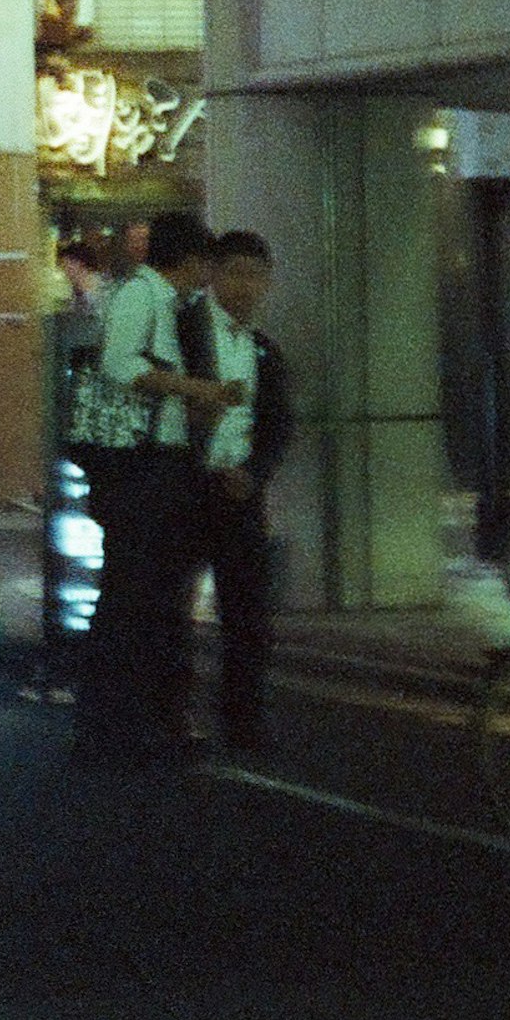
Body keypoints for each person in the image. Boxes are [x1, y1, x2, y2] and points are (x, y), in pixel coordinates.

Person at [77, 210, 240, 767]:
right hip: (139, 468)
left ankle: (134, 725)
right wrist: (197, 388)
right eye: (207, 265)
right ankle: (112, 728)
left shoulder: (164, 303)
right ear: (191, 260)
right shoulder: (140, 297)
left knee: (149, 598)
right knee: (134, 598)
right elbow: (120, 365)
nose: (207, 277)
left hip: (155, 465)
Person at [191, 230, 292, 754]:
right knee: (169, 610)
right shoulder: (187, 336)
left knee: (248, 614)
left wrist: (253, 472)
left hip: (240, 497)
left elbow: (278, 426)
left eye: (256, 275)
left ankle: (244, 720)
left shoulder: (264, 351)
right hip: (187, 493)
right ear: (212, 274)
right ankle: (171, 714)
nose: (246, 286)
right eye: (235, 272)